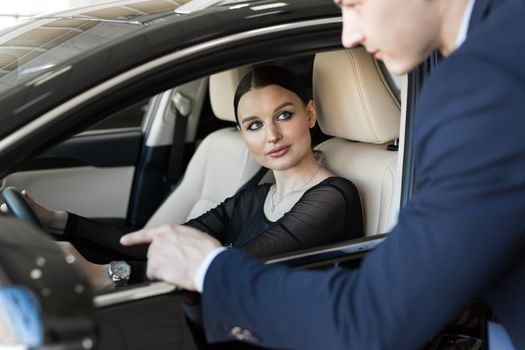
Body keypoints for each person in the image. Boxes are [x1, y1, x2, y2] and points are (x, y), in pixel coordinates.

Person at [120, 0, 525, 349]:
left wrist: (209, 269)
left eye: (354, 4)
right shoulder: (502, 45)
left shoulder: (479, 85)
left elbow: (374, 319)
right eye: (254, 125)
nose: (349, 34)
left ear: (309, 113)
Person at [19, 65, 363, 289]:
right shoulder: (256, 197)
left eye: (284, 115)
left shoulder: (333, 196)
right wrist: (61, 222)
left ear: (310, 114)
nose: (271, 135)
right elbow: (161, 242)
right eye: (254, 125)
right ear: (243, 135)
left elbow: (224, 268)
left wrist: (110, 274)